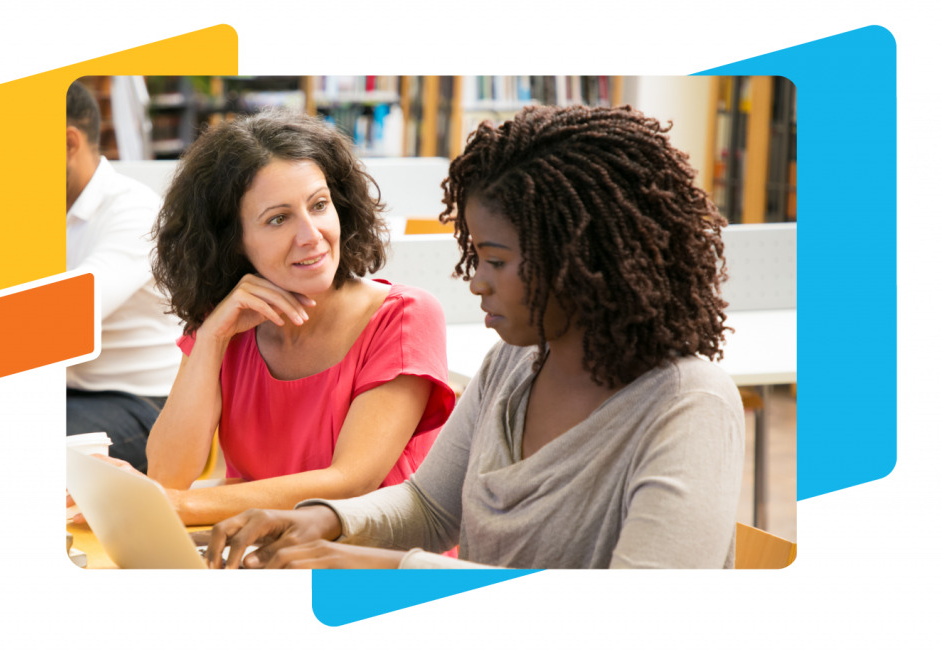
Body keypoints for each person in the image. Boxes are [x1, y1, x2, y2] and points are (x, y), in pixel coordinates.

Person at [204, 104, 747, 570]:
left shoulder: (688, 405)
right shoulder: (515, 363)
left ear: (580, 262)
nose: (477, 280)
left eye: (496, 261)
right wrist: (322, 521)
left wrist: (386, 566)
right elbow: (431, 508)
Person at [67, 107, 456, 529]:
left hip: (369, 564)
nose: (311, 236)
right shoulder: (224, 323)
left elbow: (350, 484)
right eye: (278, 219)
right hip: (257, 548)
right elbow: (168, 472)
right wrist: (212, 336)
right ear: (233, 242)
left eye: (319, 205)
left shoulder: (403, 317)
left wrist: (174, 505)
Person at [64, 80, 183, 471]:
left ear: (68, 144)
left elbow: (66, 316)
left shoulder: (134, 212)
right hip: (76, 394)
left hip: (143, 403)